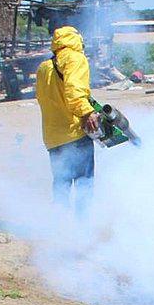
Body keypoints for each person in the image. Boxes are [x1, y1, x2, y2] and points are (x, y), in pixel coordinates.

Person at [35, 26, 100, 210]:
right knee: (83, 185)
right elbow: (74, 93)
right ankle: (81, 230)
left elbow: (43, 100)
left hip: (52, 139)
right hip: (75, 135)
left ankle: (60, 227)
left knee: (61, 185)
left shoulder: (44, 67)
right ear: (77, 40)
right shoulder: (75, 58)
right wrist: (87, 112)